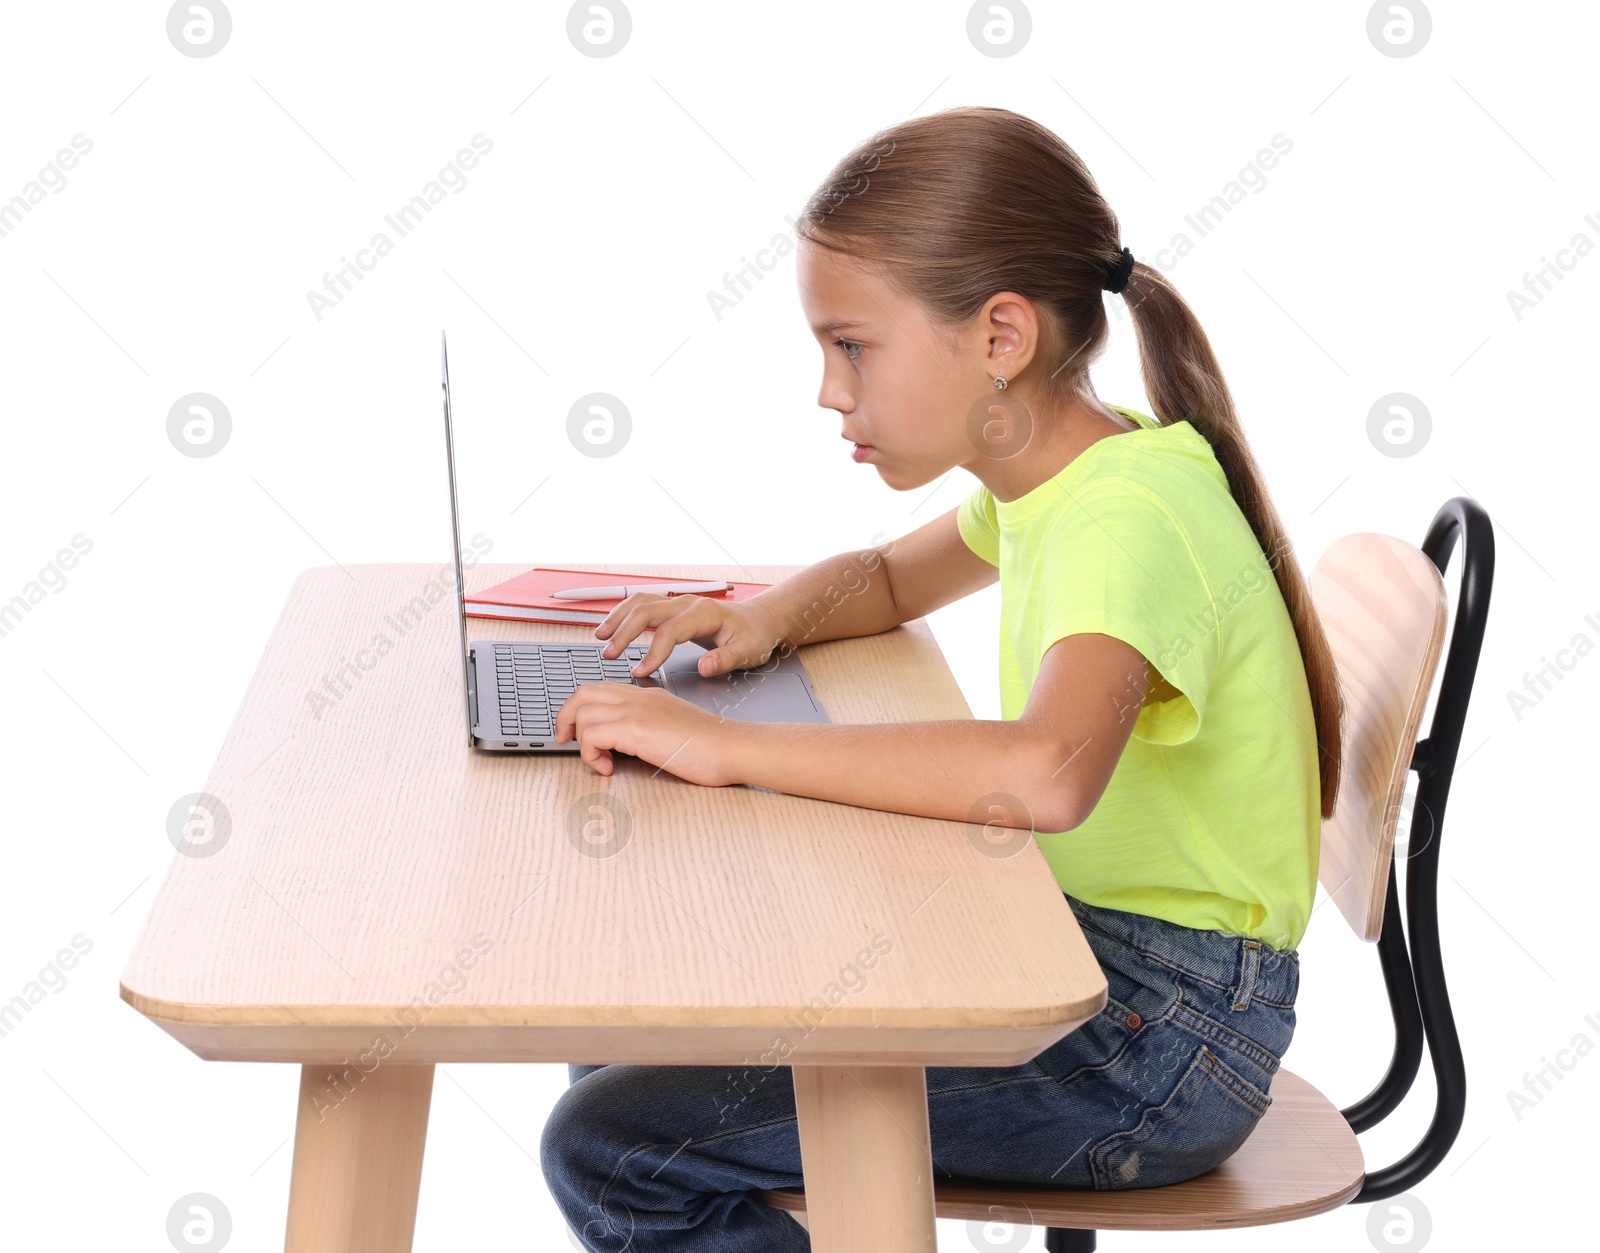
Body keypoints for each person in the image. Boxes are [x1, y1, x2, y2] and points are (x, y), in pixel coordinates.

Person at [541, 104, 1344, 1252]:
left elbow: (1045, 773)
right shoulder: (1062, 470)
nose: (828, 389)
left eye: (852, 345)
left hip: (1156, 1042)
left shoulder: (1128, 515)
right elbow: (885, 578)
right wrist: (760, 620)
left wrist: (726, 744)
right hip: (1098, 965)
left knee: (613, 1143)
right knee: (637, 1039)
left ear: (999, 335)